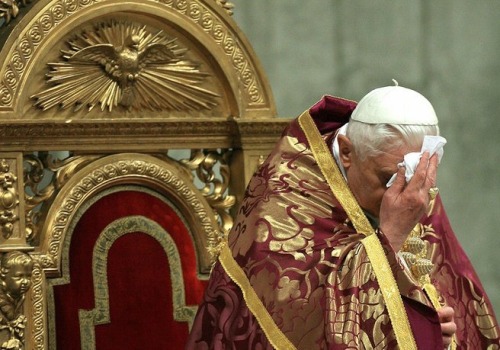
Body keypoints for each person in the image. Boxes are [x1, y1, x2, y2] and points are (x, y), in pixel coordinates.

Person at [187, 84, 499, 349]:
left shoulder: (409, 180)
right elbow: (303, 326)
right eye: (387, 179)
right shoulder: (284, 196)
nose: (406, 198)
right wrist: (390, 234)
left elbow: (441, 298)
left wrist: (435, 328)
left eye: (418, 177)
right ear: (347, 152)